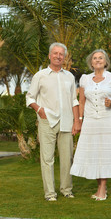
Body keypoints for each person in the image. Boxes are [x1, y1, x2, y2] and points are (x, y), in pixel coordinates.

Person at [26, 42, 80, 202]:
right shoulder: (40, 75)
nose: (58, 56)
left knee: (67, 158)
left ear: (64, 57)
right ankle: (50, 193)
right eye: (55, 53)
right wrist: (39, 109)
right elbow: (29, 97)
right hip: (46, 122)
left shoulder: (69, 76)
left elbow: (74, 100)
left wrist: (77, 121)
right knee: (47, 159)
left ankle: (67, 189)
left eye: (61, 54)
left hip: (66, 122)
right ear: (49, 55)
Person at [70, 49, 111, 201]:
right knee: (94, 154)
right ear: (91, 62)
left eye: (100, 58)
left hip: (109, 122)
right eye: (95, 58)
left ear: (106, 61)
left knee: (106, 154)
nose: (97, 60)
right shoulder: (85, 79)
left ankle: (102, 188)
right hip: (90, 122)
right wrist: (79, 120)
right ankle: (100, 186)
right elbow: (82, 101)